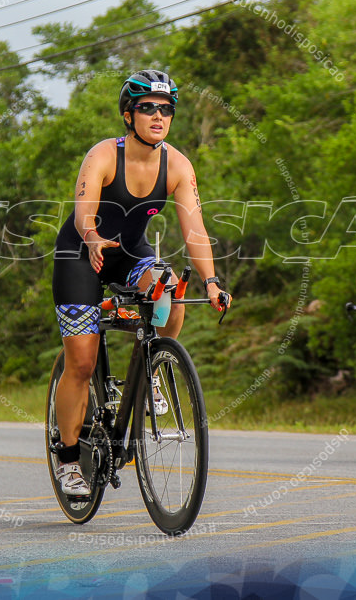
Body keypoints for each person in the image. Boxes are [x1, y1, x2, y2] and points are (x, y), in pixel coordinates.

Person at [51, 69, 231, 497]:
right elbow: (83, 213)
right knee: (81, 363)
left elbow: (195, 231)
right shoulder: (102, 156)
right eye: (147, 108)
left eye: (165, 110)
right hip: (82, 252)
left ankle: (149, 365)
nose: (158, 116)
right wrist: (92, 237)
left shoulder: (177, 165)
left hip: (130, 253)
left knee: (171, 287)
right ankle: (69, 460)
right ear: (128, 116)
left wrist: (211, 281)